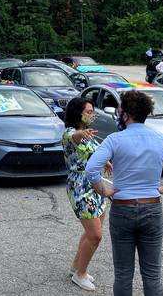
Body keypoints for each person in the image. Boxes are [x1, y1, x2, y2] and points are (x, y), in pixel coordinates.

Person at [86, 90, 163, 296]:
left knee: (123, 273)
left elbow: (92, 169)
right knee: (152, 273)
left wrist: (103, 190)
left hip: (122, 208)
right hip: (152, 206)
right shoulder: (161, 139)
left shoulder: (114, 139)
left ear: (125, 114)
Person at [62, 97, 110, 292]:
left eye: (92, 112)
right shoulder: (69, 133)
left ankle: (76, 267)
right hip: (80, 188)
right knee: (95, 235)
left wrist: (104, 162)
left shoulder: (89, 135)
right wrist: (83, 133)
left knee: (92, 232)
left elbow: (92, 153)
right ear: (77, 113)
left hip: (95, 186)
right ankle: (80, 275)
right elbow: (75, 137)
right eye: (88, 112)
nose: (92, 115)